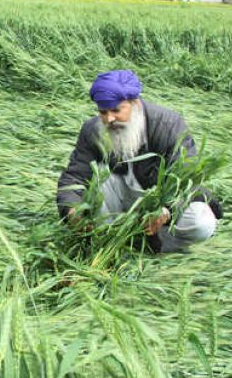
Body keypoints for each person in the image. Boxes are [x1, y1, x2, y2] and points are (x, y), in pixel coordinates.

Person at [56, 69, 222, 252]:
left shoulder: (168, 125)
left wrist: (166, 211)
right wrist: (72, 211)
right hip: (120, 198)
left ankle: (159, 242)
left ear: (134, 103)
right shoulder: (92, 130)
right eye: (103, 112)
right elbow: (74, 176)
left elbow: (186, 179)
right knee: (97, 175)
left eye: (116, 110)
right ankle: (109, 237)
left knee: (201, 222)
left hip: (159, 201)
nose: (109, 119)